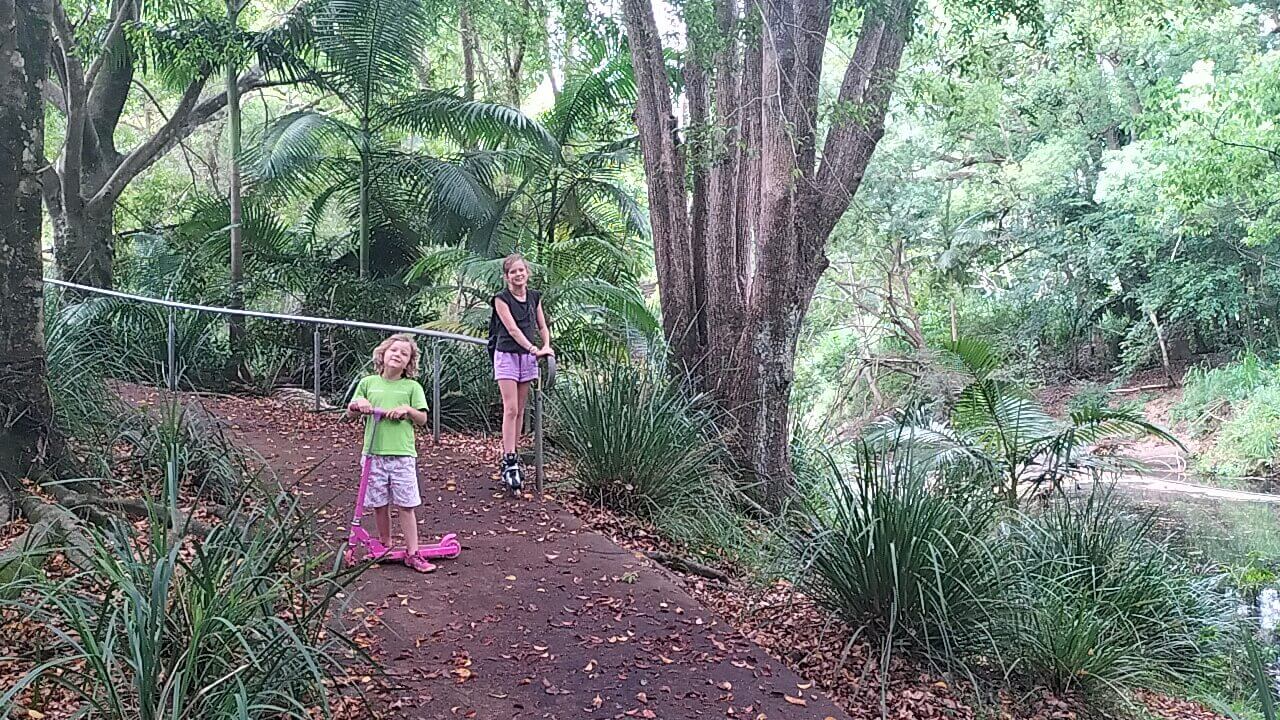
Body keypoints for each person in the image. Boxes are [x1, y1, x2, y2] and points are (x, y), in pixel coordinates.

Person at [346, 333, 435, 572]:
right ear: (383, 354)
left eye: (404, 354)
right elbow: (351, 412)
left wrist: (407, 410)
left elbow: (422, 419)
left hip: (402, 455)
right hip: (373, 453)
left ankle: (413, 552)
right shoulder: (368, 383)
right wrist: (359, 405)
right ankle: (384, 544)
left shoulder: (412, 387)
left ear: (409, 363)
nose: (398, 355)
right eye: (394, 350)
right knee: (379, 503)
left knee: (406, 504)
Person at [489, 253, 553, 492]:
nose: (518, 275)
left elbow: (542, 325)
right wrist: (532, 347)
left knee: (521, 409)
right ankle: (509, 458)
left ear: (527, 273)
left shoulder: (534, 297)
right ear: (507, 276)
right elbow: (513, 329)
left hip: (528, 357)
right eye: (513, 272)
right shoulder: (501, 299)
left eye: (521, 270)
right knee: (511, 407)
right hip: (507, 354)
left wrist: (546, 346)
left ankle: (514, 451)